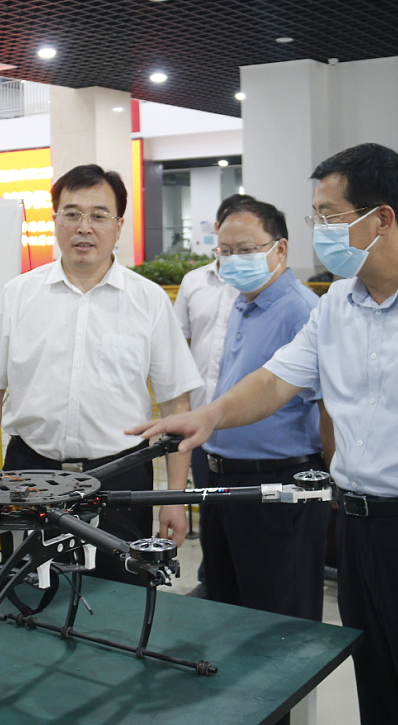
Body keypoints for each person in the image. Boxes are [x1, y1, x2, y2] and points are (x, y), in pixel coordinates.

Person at [131, 143, 398, 725]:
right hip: (356, 527)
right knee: (377, 683)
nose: (320, 230)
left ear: (381, 218)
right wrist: (210, 416)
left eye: (328, 215)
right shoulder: (338, 303)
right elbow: (276, 379)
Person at [0, 163, 202, 582]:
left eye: (99, 215)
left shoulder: (148, 300)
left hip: (121, 478)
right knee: (29, 598)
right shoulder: (19, 295)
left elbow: (176, 404)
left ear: (119, 225)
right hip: (29, 475)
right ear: (55, 219)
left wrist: (174, 497)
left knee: (122, 596)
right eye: (72, 214)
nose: (84, 227)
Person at [200, 198, 329, 623]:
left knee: (277, 619)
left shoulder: (301, 310)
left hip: (276, 485)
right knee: (226, 612)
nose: (234, 260)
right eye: (225, 251)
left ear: (280, 249)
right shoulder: (242, 302)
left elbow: (327, 405)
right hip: (224, 480)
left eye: (246, 250)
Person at [172, 193, 257, 596]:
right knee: (210, 508)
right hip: (200, 422)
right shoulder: (194, 283)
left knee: (246, 515)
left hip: (246, 423)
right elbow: (179, 346)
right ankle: (213, 582)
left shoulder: (258, 282)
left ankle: (245, 587)